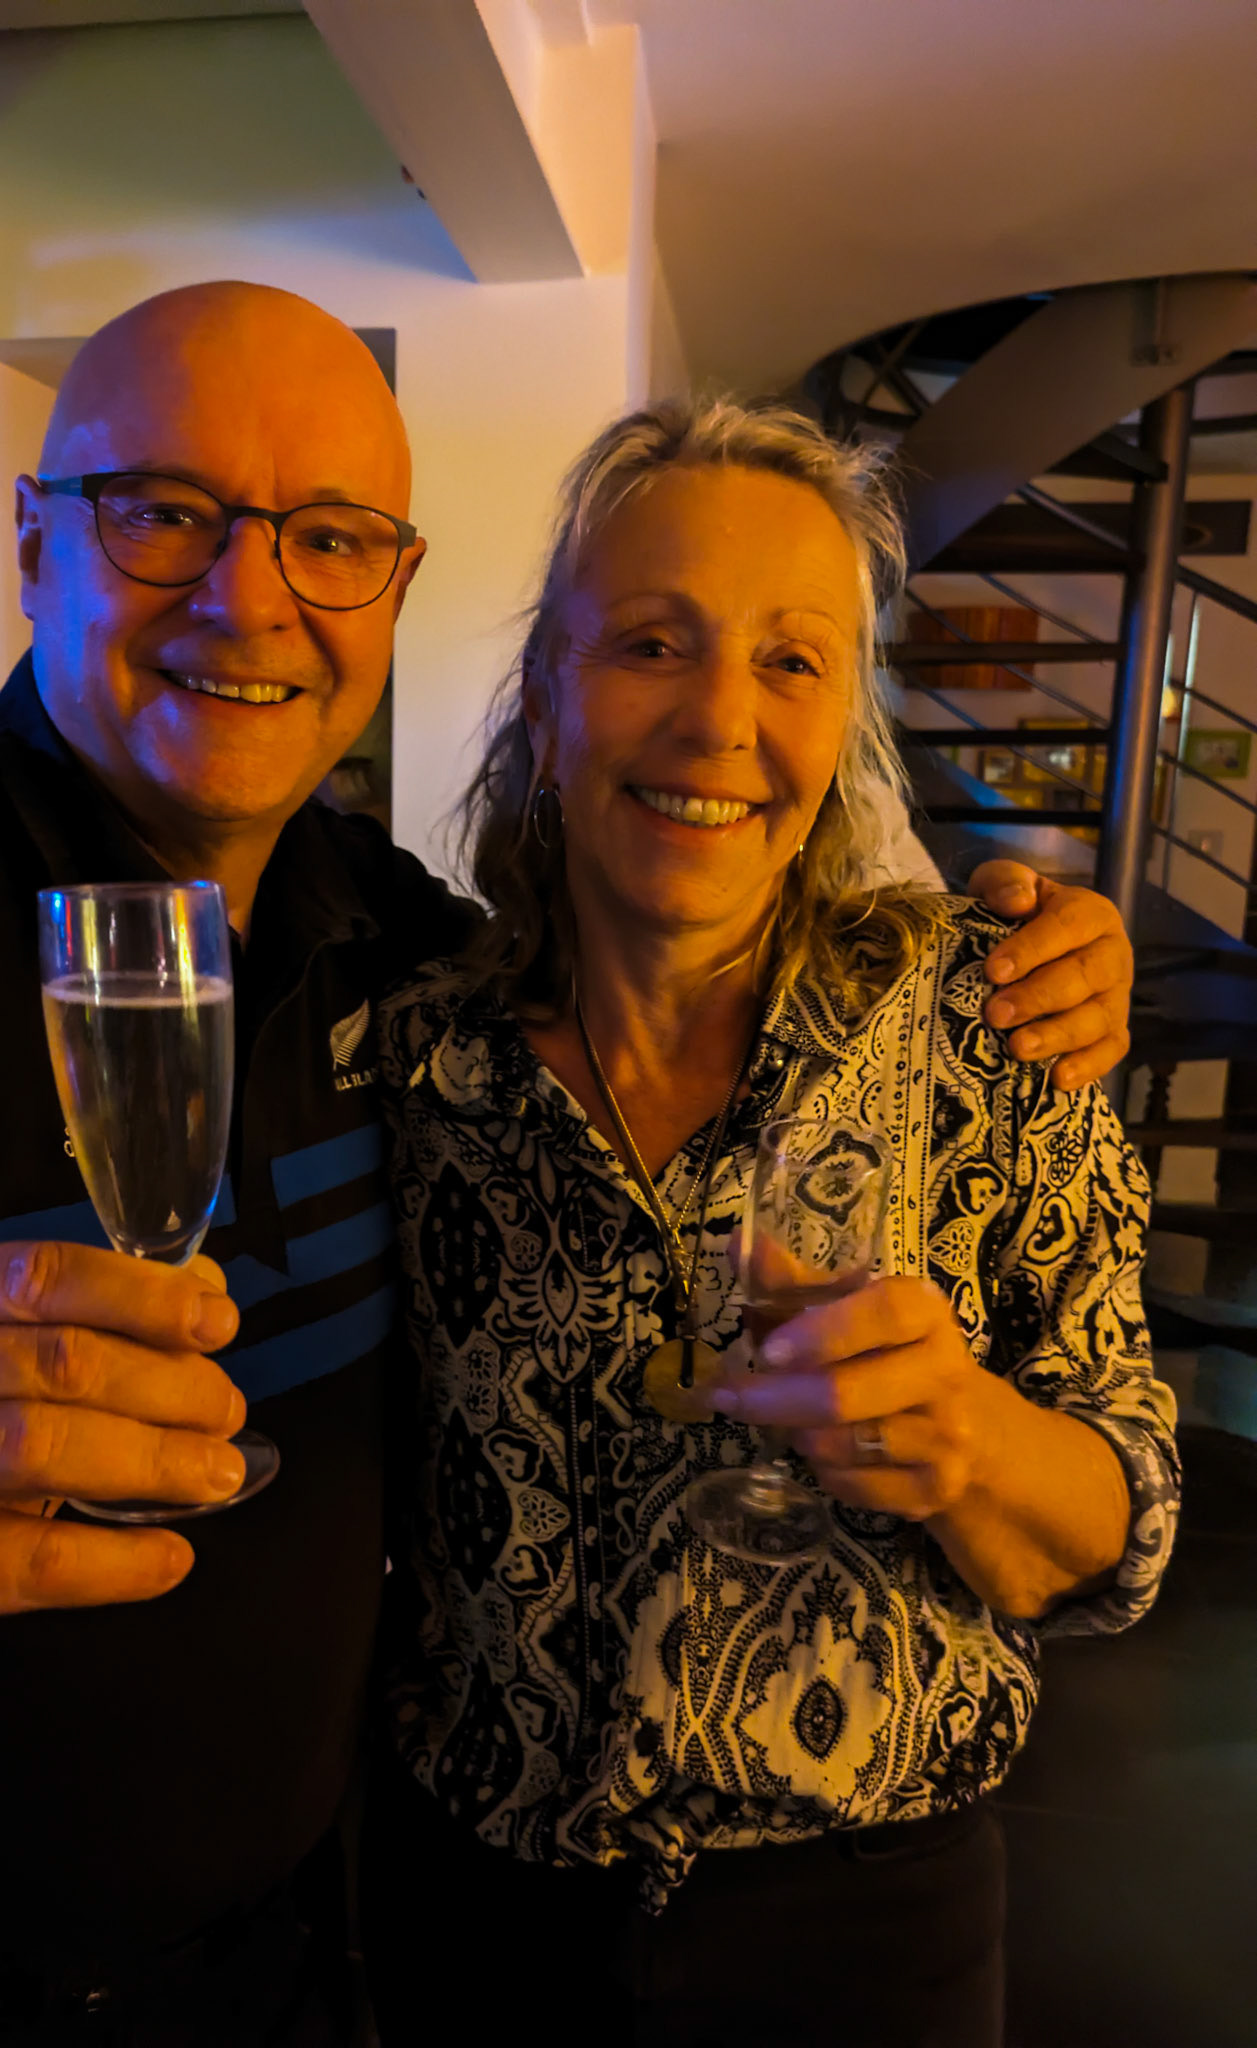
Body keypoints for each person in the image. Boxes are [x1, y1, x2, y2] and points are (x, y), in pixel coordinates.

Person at [0, 283, 1130, 2046]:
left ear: (391, 589)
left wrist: (1054, 954)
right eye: (163, 512)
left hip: (334, 1967)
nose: (248, 599)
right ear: (32, 541)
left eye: (326, 539)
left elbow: (1111, 1512)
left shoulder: (391, 952)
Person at [362, 397, 1179, 2048]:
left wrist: (968, 1441)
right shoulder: (407, 1060)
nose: (718, 720)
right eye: (651, 644)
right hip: (476, 1922)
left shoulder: (994, 1018)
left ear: (841, 727)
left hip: (864, 1935)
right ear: (545, 697)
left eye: (790, 661)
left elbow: (1122, 1529)